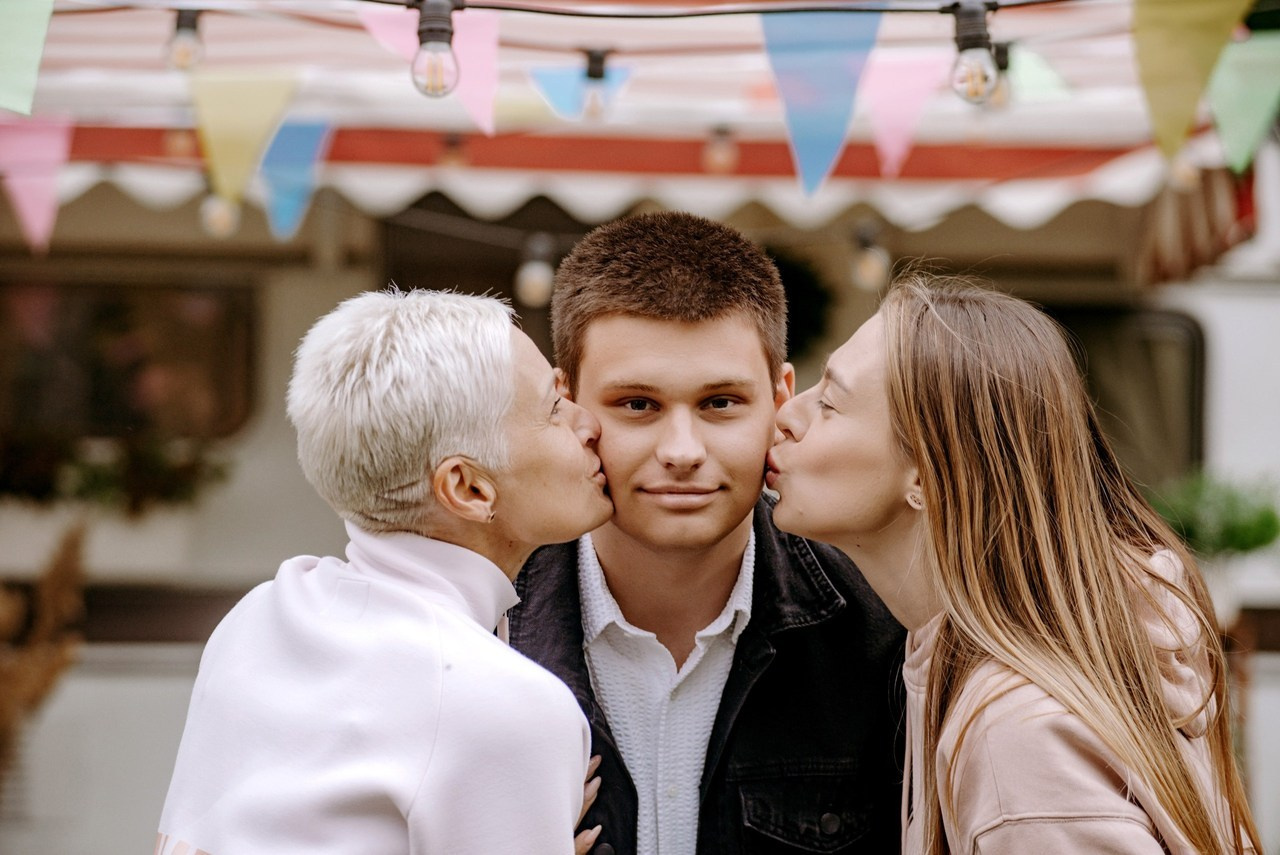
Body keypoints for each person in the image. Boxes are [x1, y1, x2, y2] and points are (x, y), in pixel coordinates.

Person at [768, 274, 1262, 854]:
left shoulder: (1020, 742)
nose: (786, 415)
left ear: (926, 474)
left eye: (829, 402)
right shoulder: (986, 663)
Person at [156, 288, 613, 854]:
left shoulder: (258, 618)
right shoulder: (510, 708)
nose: (588, 423)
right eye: (552, 409)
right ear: (467, 488)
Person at [509, 211, 906, 855]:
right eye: (638, 405)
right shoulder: (479, 632)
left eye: (720, 403)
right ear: (568, 404)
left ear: (781, 398)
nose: (682, 450)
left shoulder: (882, 632)